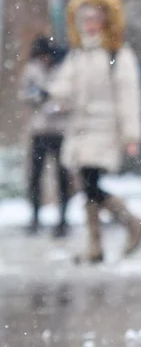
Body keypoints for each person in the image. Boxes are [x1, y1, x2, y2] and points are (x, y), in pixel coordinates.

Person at [49, 0, 141, 264]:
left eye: (94, 18)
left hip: (104, 129)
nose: (89, 24)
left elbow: (129, 97)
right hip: (80, 128)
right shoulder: (79, 54)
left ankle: (132, 221)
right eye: (85, 19)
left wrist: (131, 135)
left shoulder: (117, 55)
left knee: (91, 184)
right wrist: (50, 95)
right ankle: (96, 245)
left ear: (106, 20)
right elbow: (64, 87)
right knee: (88, 185)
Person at [21, 35, 71, 237]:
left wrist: (57, 103)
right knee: (36, 176)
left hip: (60, 130)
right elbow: (24, 94)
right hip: (39, 130)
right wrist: (37, 96)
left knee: (62, 177)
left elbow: (69, 96)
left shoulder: (63, 69)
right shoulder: (32, 70)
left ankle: (62, 219)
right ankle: (35, 216)